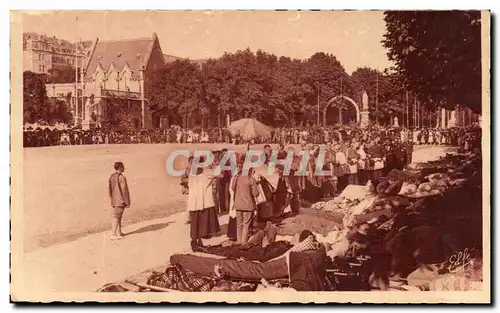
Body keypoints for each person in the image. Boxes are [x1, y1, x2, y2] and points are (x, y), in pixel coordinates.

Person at [232, 164, 260, 244]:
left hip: (238, 204)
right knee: (246, 224)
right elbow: (255, 193)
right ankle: (244, 241)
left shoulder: (236, 178)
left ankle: (239, 240)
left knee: (239, 224)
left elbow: (233, 188)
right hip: (248, 204)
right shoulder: (251, 179)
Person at [108, 162, 130, 240]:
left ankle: (119, 232)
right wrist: (127, 202)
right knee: (116, 217)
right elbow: (124, 190)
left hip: (114, 199)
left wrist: (112, 198)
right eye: (123, 167)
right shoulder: (122, 177)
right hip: (120, 200)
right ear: (120, 167)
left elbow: (110, 189)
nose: (124, 168)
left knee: (118, 216)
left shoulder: (112, 176)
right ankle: (113, 233)